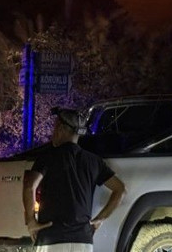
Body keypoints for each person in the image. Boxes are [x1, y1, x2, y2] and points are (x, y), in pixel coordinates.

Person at [23, 108, 126, 252]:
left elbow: (29, 187)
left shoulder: (47, 157)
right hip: (83, 240)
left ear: (61, 129)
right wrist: (100, 219)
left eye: (55, 127)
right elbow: (120, 190)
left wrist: (31, 221)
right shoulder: (94, 161)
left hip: (51, 237)